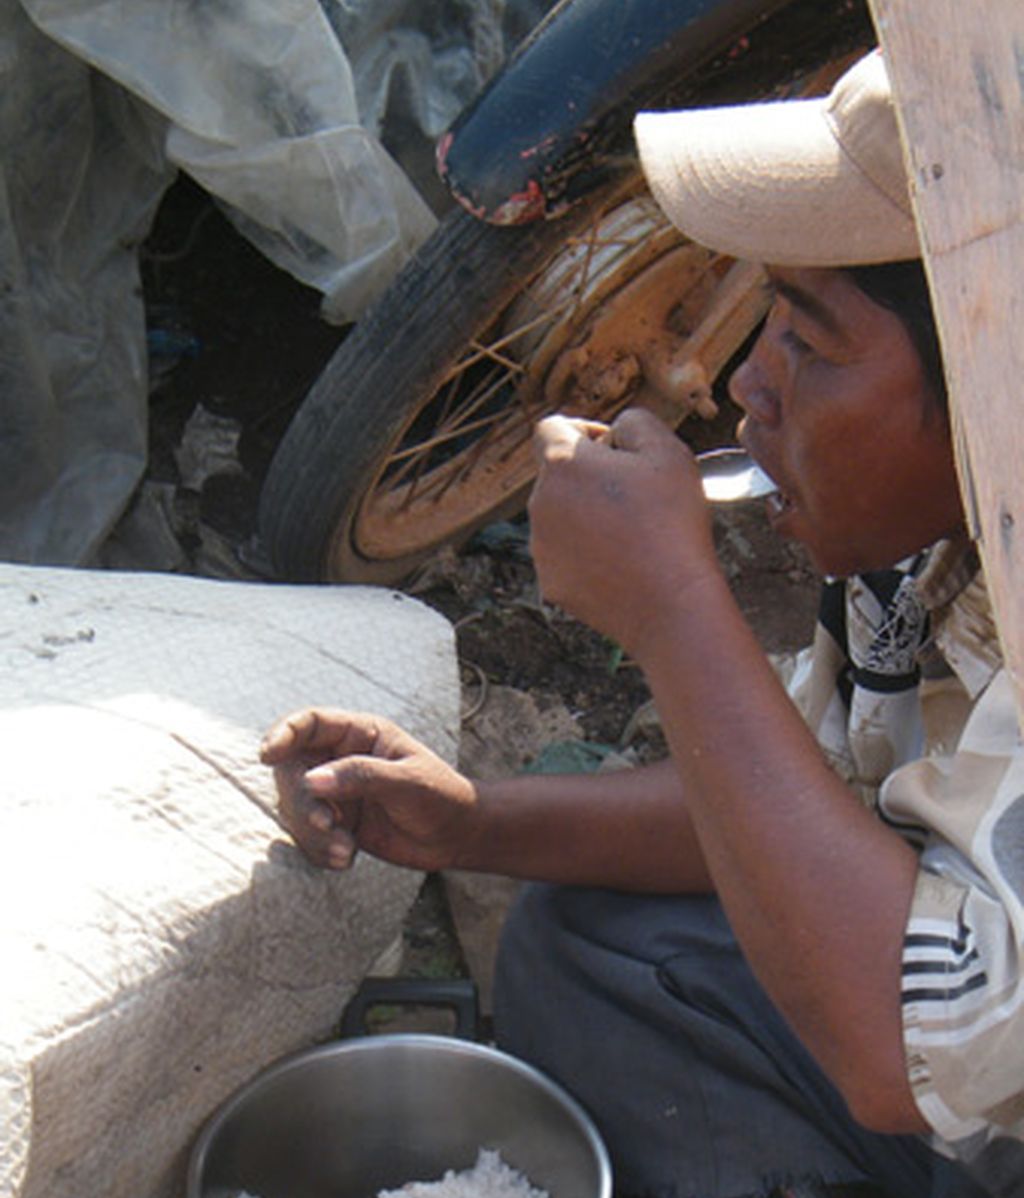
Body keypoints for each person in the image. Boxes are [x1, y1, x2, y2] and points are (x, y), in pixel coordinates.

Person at [260, 52, 1023, 1198]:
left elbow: (897, 1055)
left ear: (987, 383)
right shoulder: (945, 541)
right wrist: (471, 823)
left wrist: (671, 606)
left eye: (811, 344)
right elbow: (811, 790)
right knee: (593, 944)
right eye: (768, 318)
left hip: (953, 1074)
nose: (746, 387)